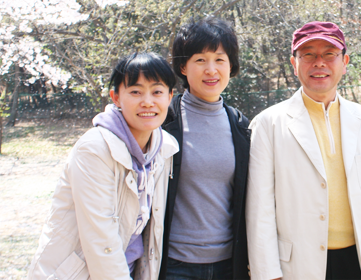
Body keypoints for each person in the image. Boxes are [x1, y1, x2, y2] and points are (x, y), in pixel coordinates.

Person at [246, 21, 361, 280]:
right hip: (297, 264)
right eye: (308, 55)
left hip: (358, 259)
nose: (319, 62)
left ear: (345, 62)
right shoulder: (268, 124)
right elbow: (260, 209)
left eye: (329, 54)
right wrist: (267, 273)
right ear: (294, 64)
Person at [27, 52, 179, 280]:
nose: (147, 101)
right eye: (135, 92)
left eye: (157, 92)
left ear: (170, 96)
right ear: (115, 97)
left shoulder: (164, 148)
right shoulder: (94, 149)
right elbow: (101, 240)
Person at [159, 17, 251, 280]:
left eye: (220, 59)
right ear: (183, 67)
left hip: (228, 265)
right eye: (200, 60)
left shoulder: (240, 125)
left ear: (230, 65)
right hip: (175, 264)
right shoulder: (164, 120)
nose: (211, 69)